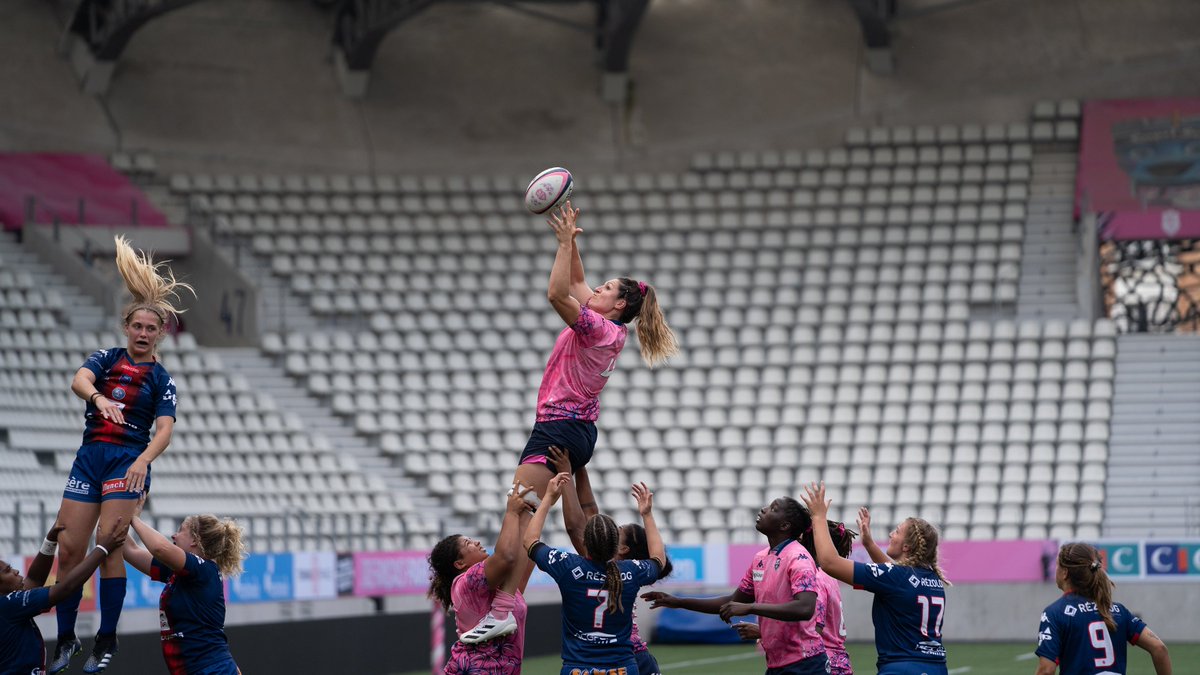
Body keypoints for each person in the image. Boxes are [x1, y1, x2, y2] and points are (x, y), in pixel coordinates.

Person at [51, 235, 193, 674]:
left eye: (152, 329)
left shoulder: (161, 379)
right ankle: (66, 638)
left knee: (109, 546)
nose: (144, 334)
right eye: (138, 327)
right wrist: (98, 399)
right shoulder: (107, 358)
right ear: (127, 327)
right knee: (70, 551)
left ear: (159, 334)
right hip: (90, 457)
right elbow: (78, 379)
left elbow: (165, 429)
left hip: (127, 462)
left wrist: (142, 460)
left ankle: (106, 638)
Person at [512, 201, 679, 502]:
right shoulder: (610, 328)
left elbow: (557, 294)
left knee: (519, 514)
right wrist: (572, 241)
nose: (598, 288)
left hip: (558, 428)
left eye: (607, 287)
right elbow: (576, 281)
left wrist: (563, 245)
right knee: (534, 514)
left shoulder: (598, 329)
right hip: (578, 431)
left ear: (619, 305)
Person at [643, 497, 827, 675]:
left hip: (805, 663)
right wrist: (678, 602)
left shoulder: (798, 557)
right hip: (777, 663)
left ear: (785, 526)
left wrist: (750, 607)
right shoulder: (760, 558)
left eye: (773, 508)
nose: (764, 509)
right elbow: (733, 602)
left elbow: (805, 608)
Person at [549, 446, 674, 675]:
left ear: (624, 548)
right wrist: (581, 466)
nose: (613, 529)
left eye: (619, 529)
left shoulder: (594, 564)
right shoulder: (630, 571)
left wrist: (566, 474)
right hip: (638, 657)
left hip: (619, 660)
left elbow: (574, 525)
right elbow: (589, 510)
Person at [524, 473, 665, 675]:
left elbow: (529, 541)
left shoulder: (568, 568)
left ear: (585, 542)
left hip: (577, 669)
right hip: (623, 669)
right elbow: (659, 559)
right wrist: (647, 514)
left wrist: (548, 498)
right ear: (616, 545)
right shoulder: (631, 572)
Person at [802, 483, 949, 675]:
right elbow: (895, 577)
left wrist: (818, 517)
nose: (891, 534)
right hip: (937, 667)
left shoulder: (896, 577)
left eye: (896, 531)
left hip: (901, 668)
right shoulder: (932, 578)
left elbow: (829, 562)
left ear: (906, 547)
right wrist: (869, 544)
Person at [121, 495, 245, 675]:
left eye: (180, 530)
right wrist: (114, 512)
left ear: (194, 540)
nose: (174, 535)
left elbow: (160, 548)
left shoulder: (203, 569)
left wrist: (134, 518)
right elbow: (130, 551)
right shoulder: (180, 572)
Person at [427, 484, 538, 673]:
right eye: (468, 543)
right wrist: (511, 512)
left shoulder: (502, 587)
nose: (476, 542)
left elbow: (525, 553)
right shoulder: (466, 582)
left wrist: (534, 507)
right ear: (459, 564)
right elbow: (506, 557)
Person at [1, 519, 127, 675]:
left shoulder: (7, 605)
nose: (16, 572)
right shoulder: (7, 605)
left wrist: (50, 540)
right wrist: (102, 549)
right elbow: (65, 588)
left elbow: (34, 579)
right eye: (7, 571)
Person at [1034, 542, 1172, 675]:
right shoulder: (1118, 610)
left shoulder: (1055, 613)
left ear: (1065, 573)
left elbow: (1046, 670)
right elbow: (1159, 648)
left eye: (1057, 565)